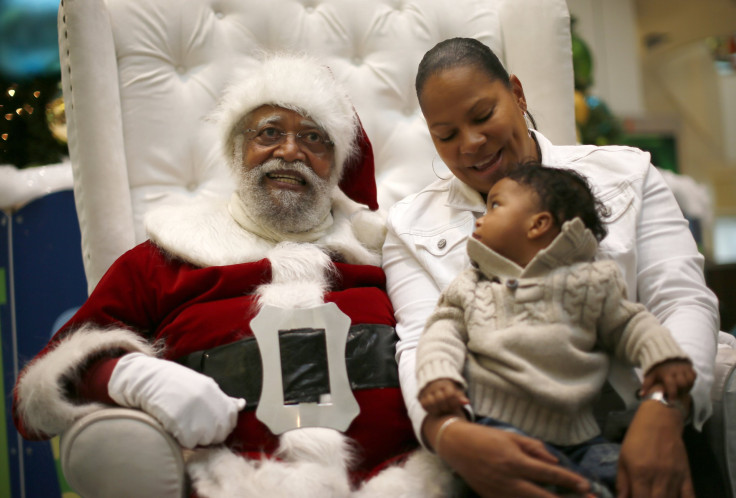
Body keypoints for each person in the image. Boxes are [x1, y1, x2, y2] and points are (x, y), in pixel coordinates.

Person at [12, 53, 450, 497]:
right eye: (270, 132)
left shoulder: (388, 254)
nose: (290, 151)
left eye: (314, 138)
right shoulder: (162, 259)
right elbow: (36, 398)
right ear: (236, 149)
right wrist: (130, 377)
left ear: (336, 165)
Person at [383, 37, 720, 498]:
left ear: (517, 94)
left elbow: (680, 299)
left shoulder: (628, 174)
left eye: (483, 116)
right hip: (501, 442)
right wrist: (450, 436)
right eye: (446, 135)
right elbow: (423, 339)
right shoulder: (409, 226)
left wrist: (665, 409)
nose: (472, 144)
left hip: (645, 419)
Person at [415, 161, 696, 497]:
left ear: (538, 224)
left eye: (495, 206)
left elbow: (630, 323)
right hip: (497, 428)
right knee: (544, 481)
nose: (480, 218)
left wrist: (663, 358)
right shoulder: (472, 286)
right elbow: (440, 331)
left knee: (624, 473)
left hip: (583, 436)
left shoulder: (591, 282)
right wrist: (438, 376)